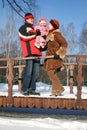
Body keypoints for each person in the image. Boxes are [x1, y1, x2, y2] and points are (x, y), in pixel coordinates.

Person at [18, 13, 42, 95]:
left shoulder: (35, 29)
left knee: (36, 73)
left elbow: (39, 39)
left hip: (37, 53)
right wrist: (35, 34)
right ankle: (24, 89)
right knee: (28, 72)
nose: (32, 19)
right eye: (29, 18)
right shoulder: (23, 28)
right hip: (30, 53)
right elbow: (24, 36)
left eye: (32, 18)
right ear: (26, 19)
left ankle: (32, 89)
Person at [44, 19, 68, 96]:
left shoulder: (56, 34)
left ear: (54, 26)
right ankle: (56, 91)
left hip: (54, 57)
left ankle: (59, 89)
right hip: (49, 58)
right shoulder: (50, 35)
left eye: (50, 25)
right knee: (51, 73)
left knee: (51, 73)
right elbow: (47, 47)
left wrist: (59, 53)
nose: (49, 26)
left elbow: (64, 43)